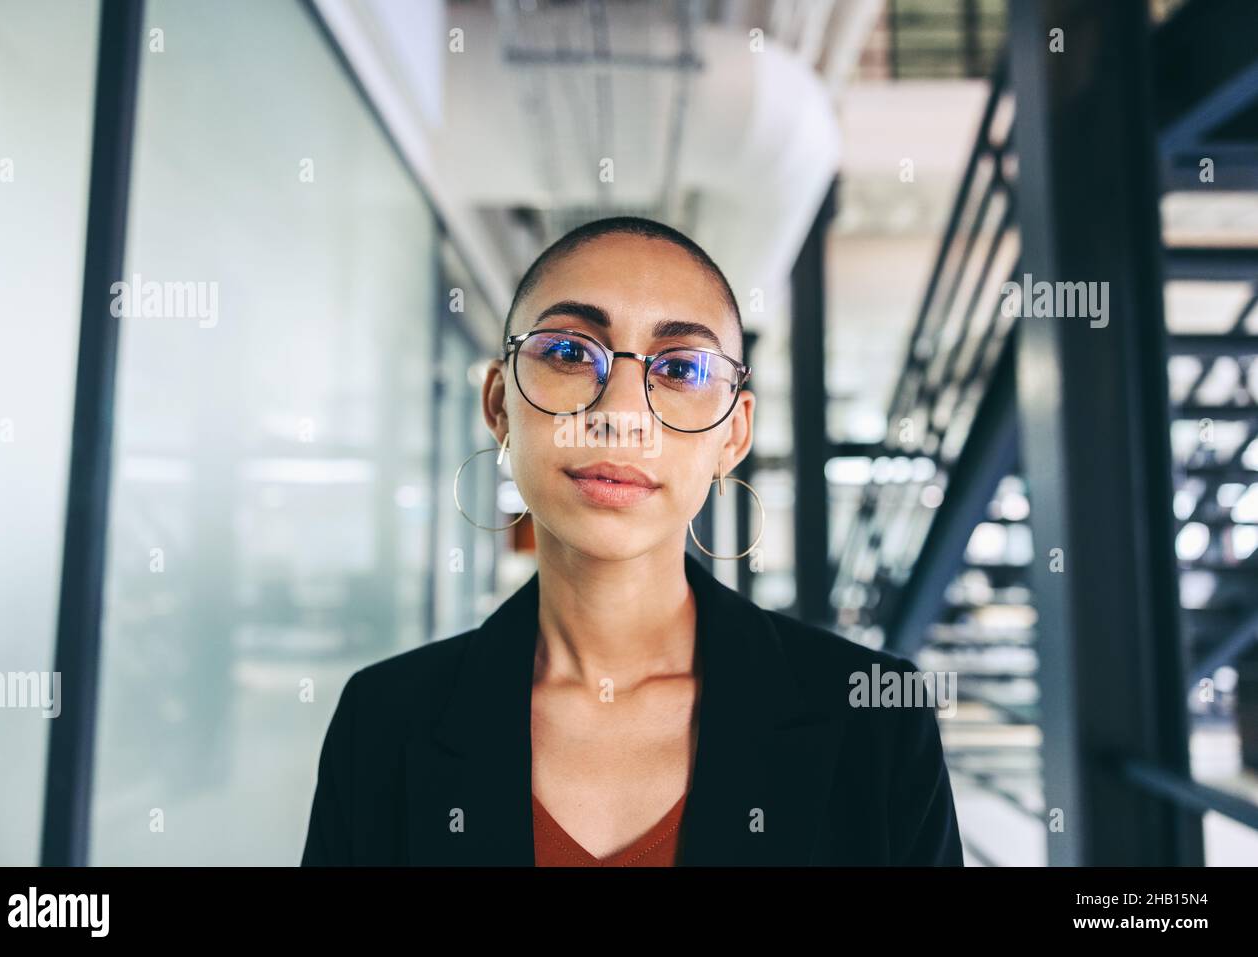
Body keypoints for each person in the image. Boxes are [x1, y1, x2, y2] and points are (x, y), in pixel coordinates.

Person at [301, 215, 963, 866]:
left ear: (733, 434)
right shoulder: (383, 720)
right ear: (500, 403)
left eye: (680, 369)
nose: (621, 414)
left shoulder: (877, 722)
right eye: (567, 352)